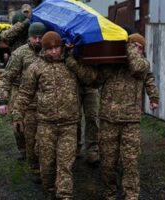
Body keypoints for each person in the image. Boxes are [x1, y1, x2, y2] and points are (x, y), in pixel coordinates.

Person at [66, 33, 159, 200]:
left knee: (130, 162)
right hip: (108, 120)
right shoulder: (111, 64)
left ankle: (131, 196)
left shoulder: (142, 64)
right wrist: (72, 62)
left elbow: (142, 72)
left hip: (131, 122)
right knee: (108, 162)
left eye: (139, 48)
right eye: (133, 46)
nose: (136, 50)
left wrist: (153, 97)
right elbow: (91, 79)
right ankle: (110, 194)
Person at [12, 31, 80, 199]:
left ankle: (64, 195)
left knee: (65, 165)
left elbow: (91, 79)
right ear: (44, 49)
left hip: (68, 124)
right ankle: (49, 190)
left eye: (57, 47)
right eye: (50, 49)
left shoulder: (71, 63)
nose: (54, 52)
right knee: (47, 164)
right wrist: (17, 115)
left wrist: (74, 59)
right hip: (46, 124)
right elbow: (25, 93)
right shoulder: (36, 67)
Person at [0, 22, 47, 177]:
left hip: (43, 101)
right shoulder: (20, 54)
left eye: (40, 37)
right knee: (20, 131)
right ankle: (24, 150)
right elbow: (6, 78)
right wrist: (2, 101)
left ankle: (39, 166)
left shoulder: (51, 51)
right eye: (34, 37)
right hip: (21, 97)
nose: (37, 40)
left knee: (40, 137)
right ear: (29, 37)